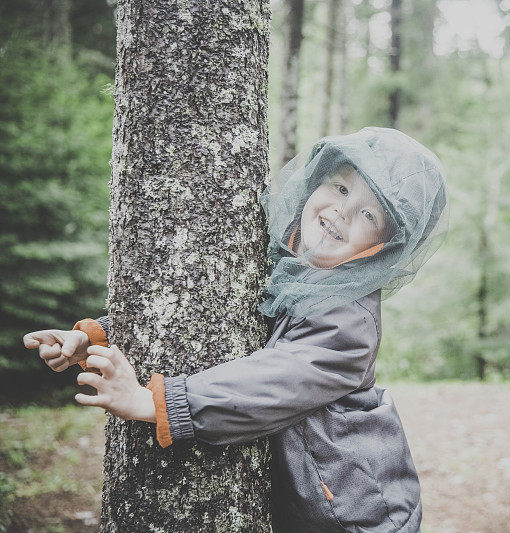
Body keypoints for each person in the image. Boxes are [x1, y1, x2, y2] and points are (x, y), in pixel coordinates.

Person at [22, 126, 450, 533]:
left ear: (380, 250)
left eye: (368, 214)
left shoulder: (350, 321)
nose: (341, 211)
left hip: (356, 514)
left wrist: (156, 402)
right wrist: (98, 337)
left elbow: (274, 382)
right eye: (340, 188)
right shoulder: (288, 265)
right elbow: (219, 310)